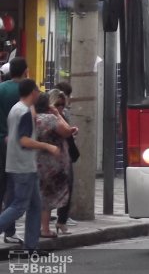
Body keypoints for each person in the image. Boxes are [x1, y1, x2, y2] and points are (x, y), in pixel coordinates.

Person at [0, 79, 59, 253]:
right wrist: (47, 146)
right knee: (19, 206)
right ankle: (30, 245)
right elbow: (24, 140)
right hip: (23, 165)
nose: (40, 94)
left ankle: (31, 246)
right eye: (38, 91)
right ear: (33, 92)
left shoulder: (16, 109)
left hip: (19, 164)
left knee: (35, 205)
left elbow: (12, 136)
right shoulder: (24, 112)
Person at [34, 90, 75, 237]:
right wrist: (58, 115)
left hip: (36, 160)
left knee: (39, 196)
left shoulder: (33, 118)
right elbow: (67, 131)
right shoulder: (51, 119)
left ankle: (36, 229)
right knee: (48, 197)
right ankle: (45, 229)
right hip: (52, 163)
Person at [0, 57, 28, 244]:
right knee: (12, 187)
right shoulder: (26, 91)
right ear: (25, 71)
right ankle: (9, 231)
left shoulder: (1, 89)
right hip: (17, 144)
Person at [53, 81, 78, 230]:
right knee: (66, 186)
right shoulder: (58, 114)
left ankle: (58, 220)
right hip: (60, 155)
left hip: (56, 155)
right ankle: (61, 219)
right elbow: (66, 131)